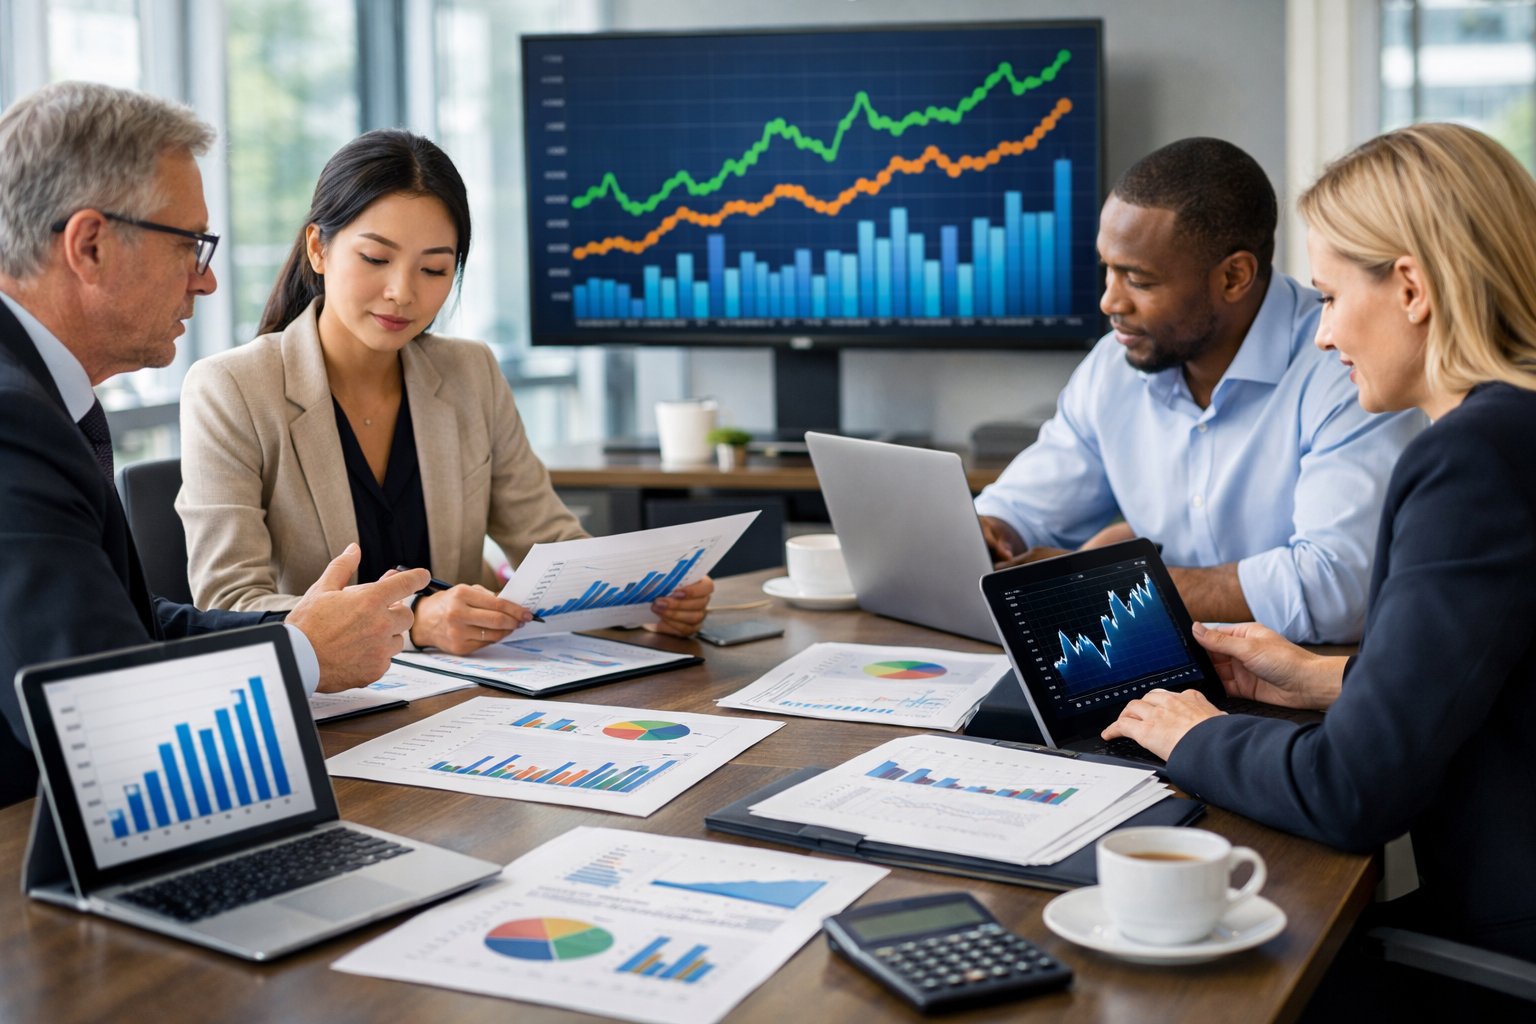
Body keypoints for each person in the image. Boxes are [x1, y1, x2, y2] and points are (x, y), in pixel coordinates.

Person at [1104, 123, 1536, 962]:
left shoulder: (1470, 461)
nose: (1324, 335)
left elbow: (1351, 791)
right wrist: (1334, 678)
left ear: (1411, 287)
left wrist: (1191, 734)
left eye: (1332, 298)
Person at [0, 82, 429, 808]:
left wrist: (297, 629)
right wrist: (300, 656)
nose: (207, 280)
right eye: (189, 245)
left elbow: (134, 623)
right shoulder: (13, 421)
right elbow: (100, 708)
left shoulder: (42, 396)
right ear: (91, 245)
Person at [176, 129, 711, 652]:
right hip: (331, 711)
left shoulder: (469, 372)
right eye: (376, 258)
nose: (401, 293)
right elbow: (231, 603)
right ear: (318, 248)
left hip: (469, 700)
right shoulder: (232, 389)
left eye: (433, 268)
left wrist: (644, 596)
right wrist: (412, 625)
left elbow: (547, 540)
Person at [974, 138, 1424, 644]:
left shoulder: (1349, 367)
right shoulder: (1116, 366)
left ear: (1234, 276)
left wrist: (1107, 586)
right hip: (1169, 667)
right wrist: (993, 532)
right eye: (1108, 268)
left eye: (1138, 280)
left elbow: (1336, 589)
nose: (1108, 301)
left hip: (1307, 686)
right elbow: (1029, 506)